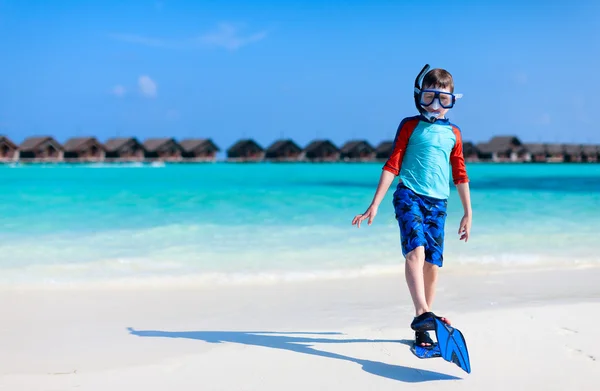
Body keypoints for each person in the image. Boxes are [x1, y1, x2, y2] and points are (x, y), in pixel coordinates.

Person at [351, 64, 472, 349]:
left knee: (433, 262)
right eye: (431, 97)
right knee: (415, 250)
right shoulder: (409, 125)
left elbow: (460, 173)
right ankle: (422, 313)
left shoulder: (454, 133)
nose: (436, 105)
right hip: (409, 195)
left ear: (453, 101)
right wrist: (374, 205)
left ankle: (423, 322)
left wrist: (468, 212)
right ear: (420, 97)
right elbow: (393, 164)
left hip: (439, 202)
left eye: (444, 99)